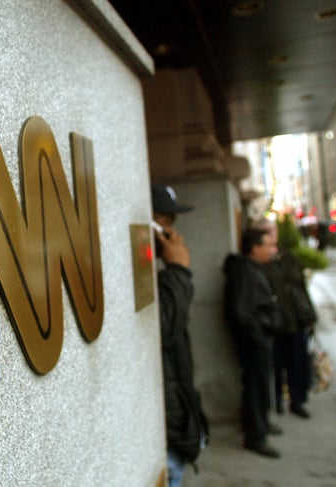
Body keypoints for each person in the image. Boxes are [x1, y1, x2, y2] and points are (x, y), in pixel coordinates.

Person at [152, 184, 208, 486]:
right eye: (164, 221)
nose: (172, 232)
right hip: (166, 426)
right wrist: (178, 271)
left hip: (174, 418)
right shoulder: (165, 276)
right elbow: (162, 326)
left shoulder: (159, 276)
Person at [223, 227, 281, 458]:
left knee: (260, 385)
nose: (272, 250)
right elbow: (242, 313)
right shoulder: (245, 273)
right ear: (255, 247)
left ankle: (262, 425)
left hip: (259, 341)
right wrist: (259, 335)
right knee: (255, 388)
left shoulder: (253, 270)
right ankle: (256, 435)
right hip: (254, 343)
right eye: (268, 245)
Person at [261, 236, 313, 419]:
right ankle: (278, 402)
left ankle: (297, 400)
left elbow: (301, 288)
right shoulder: (263, 267)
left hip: (295, 323)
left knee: (297, 365)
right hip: (276, 326)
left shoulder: (289, 260)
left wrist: (309, 316)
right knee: (276, 365)